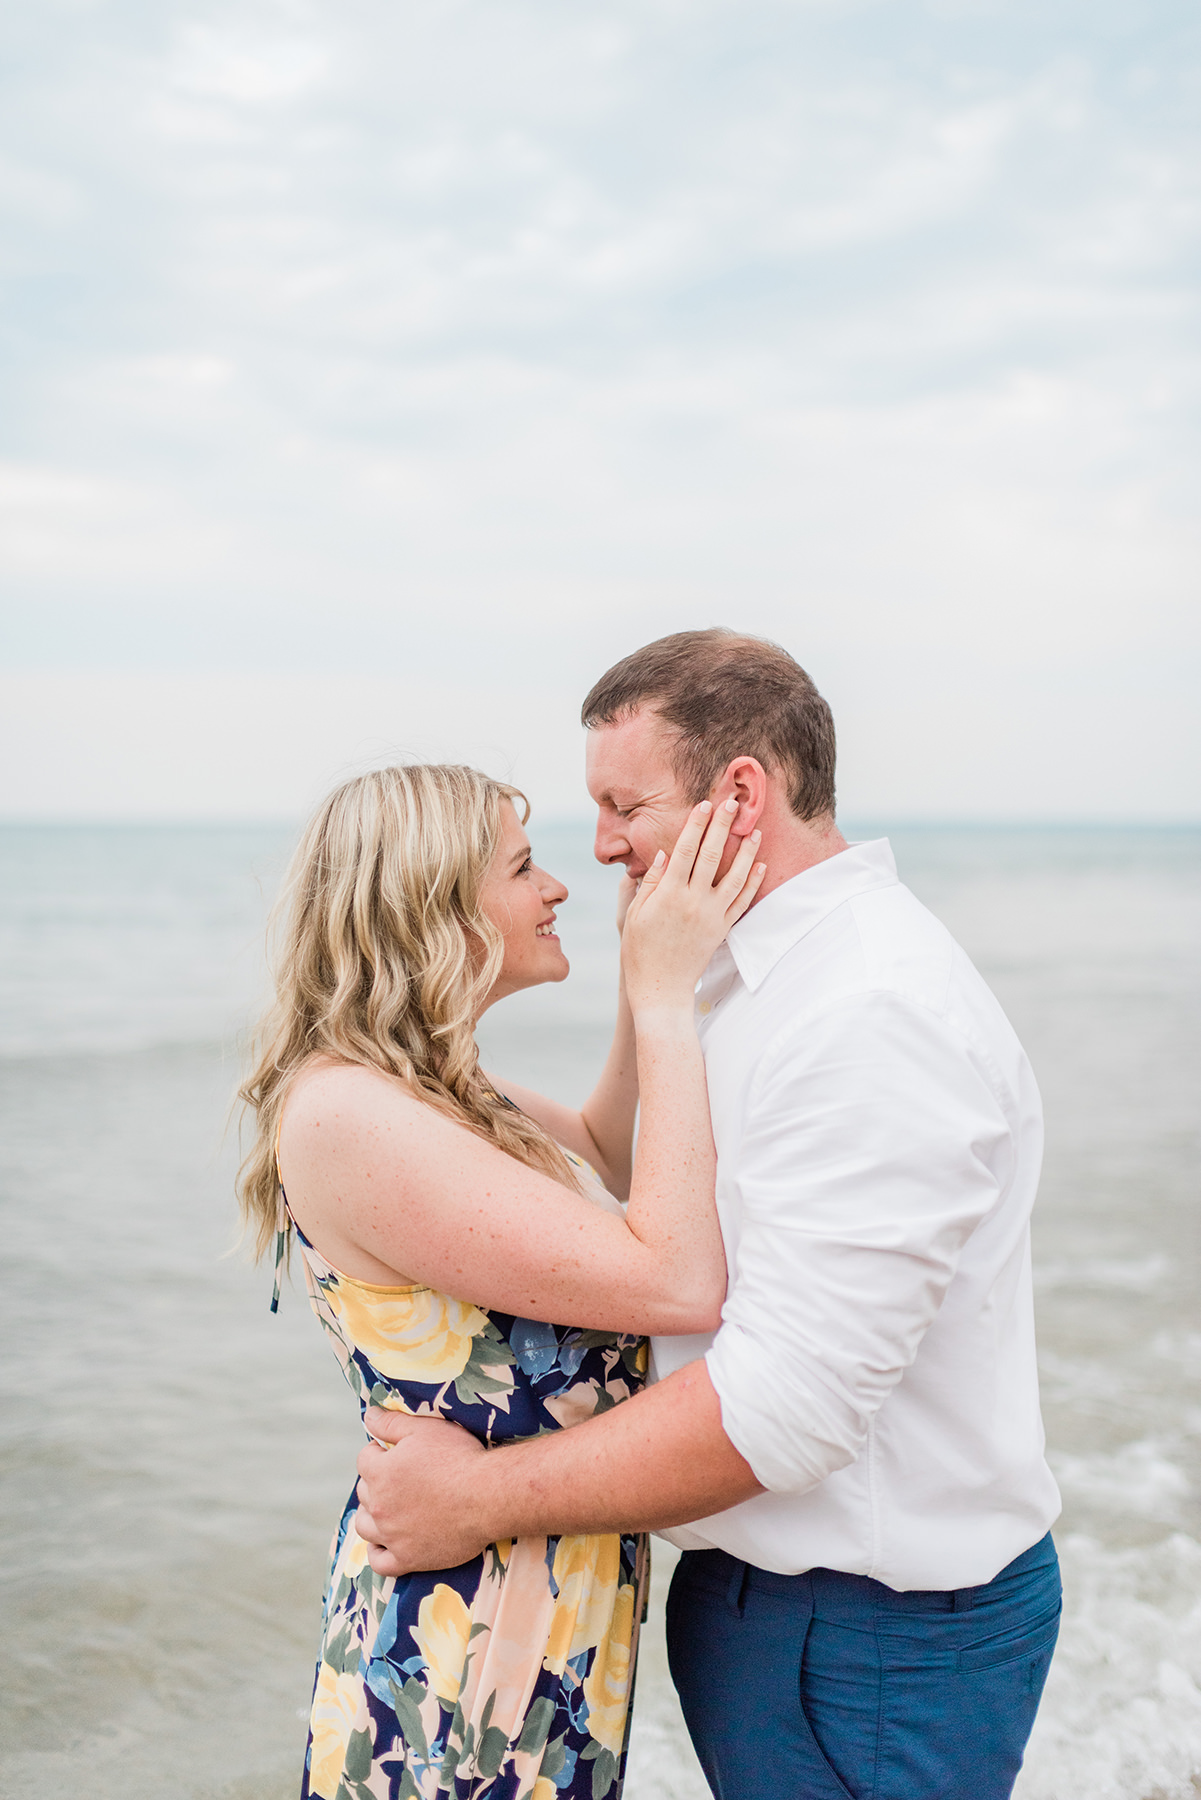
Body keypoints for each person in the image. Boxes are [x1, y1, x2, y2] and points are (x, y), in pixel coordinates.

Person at [354, 631, 1064, 1800]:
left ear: (741, 793)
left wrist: (475, 1500)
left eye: (625, 804)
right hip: (789, 1616)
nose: (600, 847)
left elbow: (786, 1411)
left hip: (870, 1637)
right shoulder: (759, 976)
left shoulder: (868, 1014)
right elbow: (626, 1165)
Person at [237, 760, 765, 1800]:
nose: (557, 887)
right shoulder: (353, 1114)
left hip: (539, 1610)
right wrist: (664, 996)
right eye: (524, 868)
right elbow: (675, 1281)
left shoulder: (443, 1092)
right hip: (461, 1646)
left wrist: (640, 973)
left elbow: (611, 1156)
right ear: (432, 907)